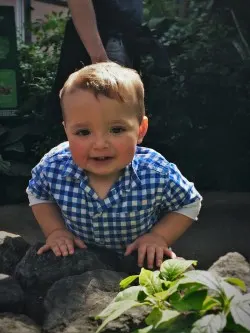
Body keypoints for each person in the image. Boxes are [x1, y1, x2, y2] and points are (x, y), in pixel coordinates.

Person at [27, 62, 202, 269]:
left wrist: (158, 237)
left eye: (117, 130)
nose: (100, 144)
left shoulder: (155, 173)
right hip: (82, 268)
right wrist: (55, 231)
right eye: (83, 132)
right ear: (67, 132)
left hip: (137, 265)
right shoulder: (54, 167)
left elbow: (189, 203)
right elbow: (37, 193)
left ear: (140, 130)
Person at [47, 0, 143, 123]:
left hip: (124, 42)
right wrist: (100, 58)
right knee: (101, 116)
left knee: (120, 116)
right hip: (102, 45)